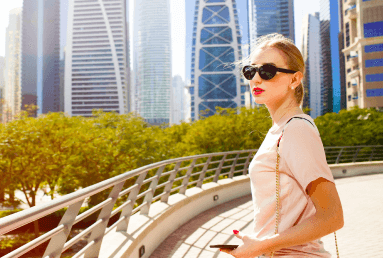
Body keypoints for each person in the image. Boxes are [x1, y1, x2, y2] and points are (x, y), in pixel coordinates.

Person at [220, 33, 344, 257]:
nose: (256, 79)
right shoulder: (280, 129)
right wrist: (256, 243)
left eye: (267, 71)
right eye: (250, 71)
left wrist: (261, 246)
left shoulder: (296, 129)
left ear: (295, 80)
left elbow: (332, 216)